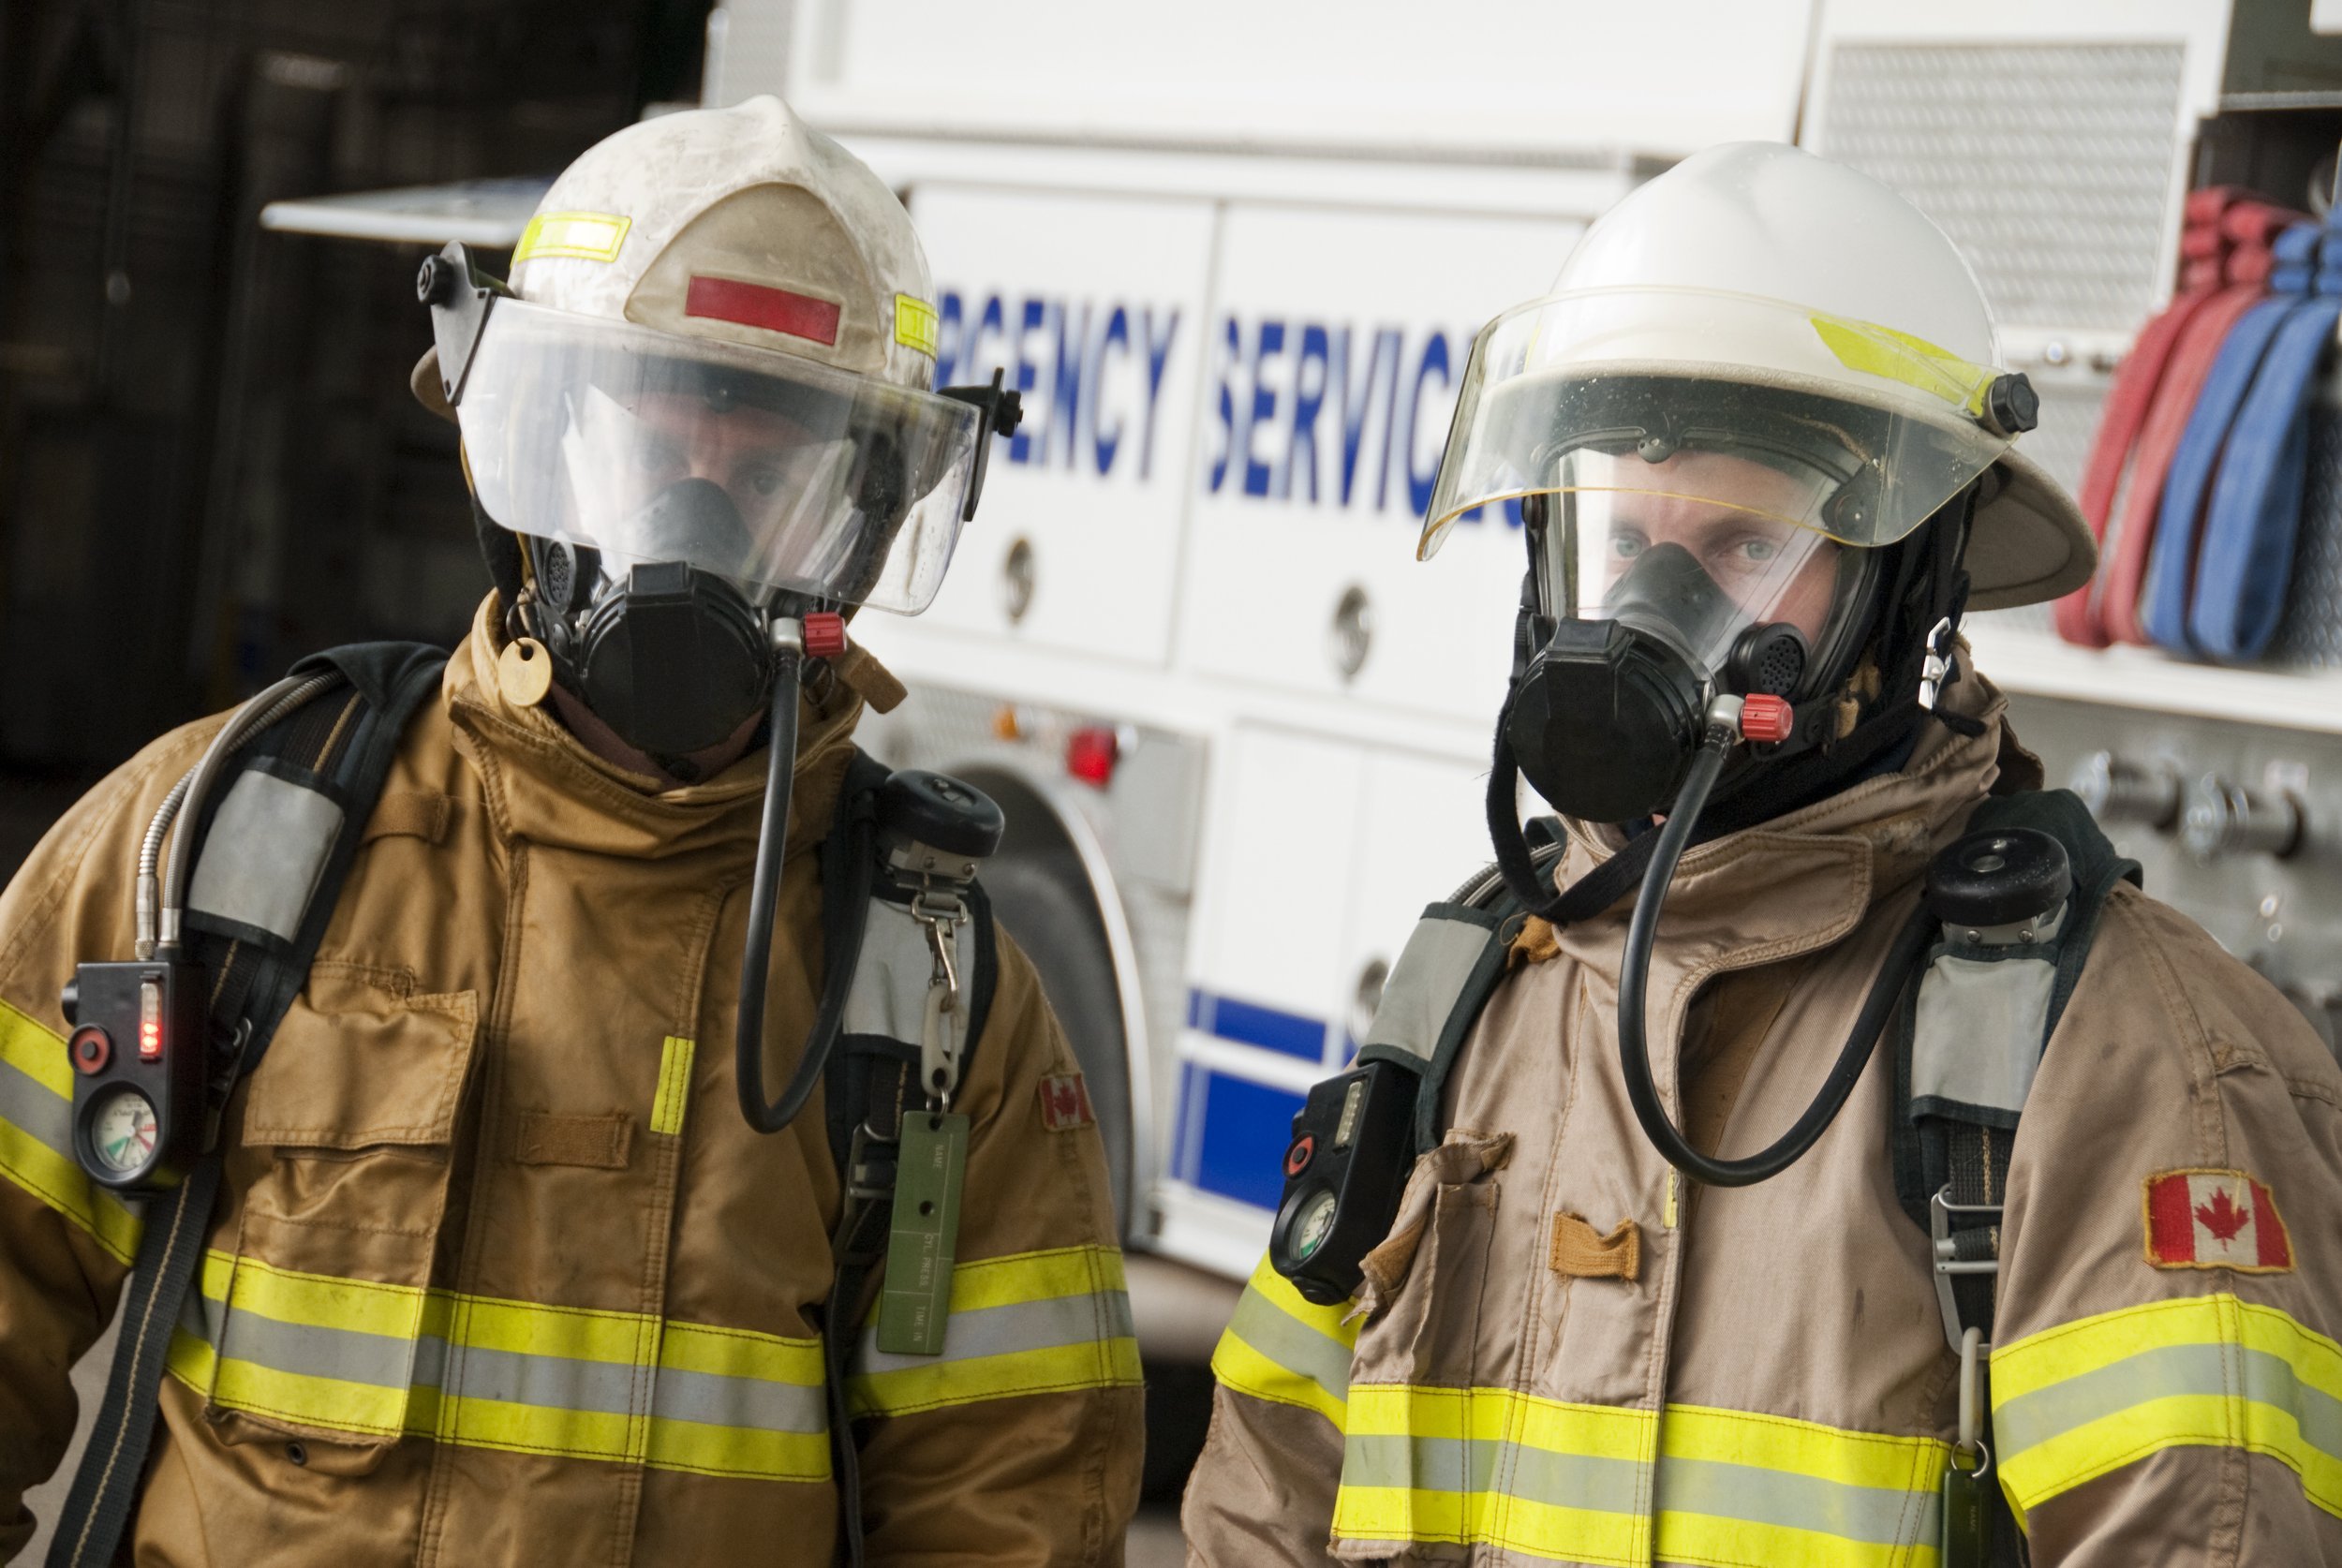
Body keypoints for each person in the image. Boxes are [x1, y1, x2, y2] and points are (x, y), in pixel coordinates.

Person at [0, 96, 1140, 1566]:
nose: (695, 518)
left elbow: (1014, 1503)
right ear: (530, 449)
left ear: (859, 518)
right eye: (653, 432)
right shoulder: (227, 842)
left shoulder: (927, 991)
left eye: (771, 458)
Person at [1184, 141, 2342, 1565]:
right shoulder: (1474, 988)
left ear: (1915, 582)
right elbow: (1269, 1501)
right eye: (1623, 535)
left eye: (1744, 547)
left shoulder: (2129, 1064)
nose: (1654, 603)